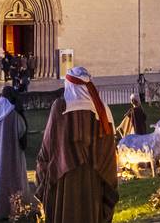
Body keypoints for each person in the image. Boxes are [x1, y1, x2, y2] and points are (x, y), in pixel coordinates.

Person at [35, 66, 118, 222]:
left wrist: (43, 173)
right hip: (93, 182)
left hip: (64, 181)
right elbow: (108, 152)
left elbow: (48, 148)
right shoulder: (102, 111)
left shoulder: (60, 107)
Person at [0, 85, 35, 216]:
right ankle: (15, 207)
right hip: (12, 153)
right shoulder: (13, 114)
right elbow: (21, 130)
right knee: (13, 177)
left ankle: (1, 207)